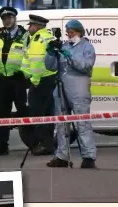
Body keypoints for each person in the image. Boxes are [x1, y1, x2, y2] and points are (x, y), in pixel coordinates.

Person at [45, 19, 98, 169]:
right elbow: (50, 67)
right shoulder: (64, 46)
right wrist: (50, 53)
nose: (68, 34)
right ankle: (62, 155)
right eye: (67, 32)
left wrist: (69, 56)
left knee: (82, 123)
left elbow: (85, 66)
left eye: (72, 32)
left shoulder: (87, 47)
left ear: (79, 32)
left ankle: (88, 156)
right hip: (61, 89)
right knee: (61, 124)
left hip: (79, 89)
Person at [0, 6, 30, 156]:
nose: (7, 21)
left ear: (15, 18)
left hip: (18, 79)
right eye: (4, 18)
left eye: (9, 18)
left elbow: (29, 56)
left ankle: (34, 144)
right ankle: (1, 146)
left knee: (23, 112)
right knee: (2, 114)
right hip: (1, 79)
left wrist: (25, 73)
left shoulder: (24, 35)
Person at [21, 14, 58, 156]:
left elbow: (36, 63)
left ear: (36, 26)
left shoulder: (38, 39)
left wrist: (34, 80)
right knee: (48, 113)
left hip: (40, 81)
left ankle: (45, 144)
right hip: (49, 79)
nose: (28, 28)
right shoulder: (47, 37)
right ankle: (49, 144)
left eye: (30, 25)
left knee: (37, 114)